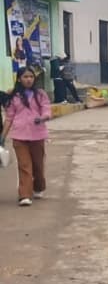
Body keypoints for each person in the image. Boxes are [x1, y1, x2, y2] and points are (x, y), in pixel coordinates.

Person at [2, 67, 51, 205]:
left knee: (38, 166)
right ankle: (24, 195)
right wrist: (2, 137)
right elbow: (9, 118)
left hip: (37, 135)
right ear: (19, 79)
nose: (29, 79)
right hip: (19, 136)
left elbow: (46, 109)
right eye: (25, 77)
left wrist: (42, 118)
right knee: (24, 165)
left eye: (31, 76)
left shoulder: (40, 94)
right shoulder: (14, 96)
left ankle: (39, 187)